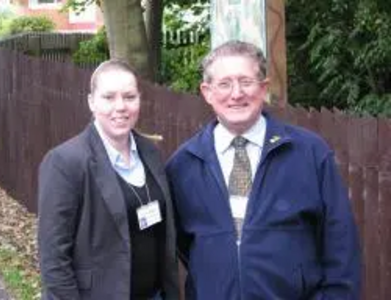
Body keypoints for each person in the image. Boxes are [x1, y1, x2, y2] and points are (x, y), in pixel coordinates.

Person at [166, 40, 361, 299]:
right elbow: (182, 246)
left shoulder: (309, 153)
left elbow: (341, 247)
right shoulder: (184, 164)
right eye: (224, 84)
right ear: (207, 92)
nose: (236, 93)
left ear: (264, 88)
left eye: (246, 82)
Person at [38, 59, 179, 300]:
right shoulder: (65, 162)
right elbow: (53, 259)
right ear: (91, 102)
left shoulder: (150, 153)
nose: (120, 106)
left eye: (129, 96)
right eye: (109, 97)